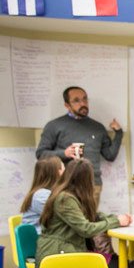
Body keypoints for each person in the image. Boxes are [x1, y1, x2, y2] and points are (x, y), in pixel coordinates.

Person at [36, 86, 125, 258]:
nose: (82, 103)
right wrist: (64, 153)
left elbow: (110, 155)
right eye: (76, 100)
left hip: (92, 185)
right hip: (64, 186)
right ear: (66, 105)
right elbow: (41, 154)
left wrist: (119, 133)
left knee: (90, 223)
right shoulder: (55, 126)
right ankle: (80, 258)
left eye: (85, 99)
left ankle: (100, 260)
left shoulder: (97, 127)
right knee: (76, 228)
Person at [35, 159, 132, 266]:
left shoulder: (71, 195)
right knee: (114, 266)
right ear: (85, 179)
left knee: (117, 264)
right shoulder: (65, 198)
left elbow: (95, 215)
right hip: (57, 254)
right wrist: (116, 221)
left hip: (64, 249)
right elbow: (86, 229)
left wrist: (115, 218)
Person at [19, 156, 65, 234]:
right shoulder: (41, 195)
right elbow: (64, 217)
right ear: (58, 172)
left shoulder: (51, 192)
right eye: (64, 168)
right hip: (39, 242)